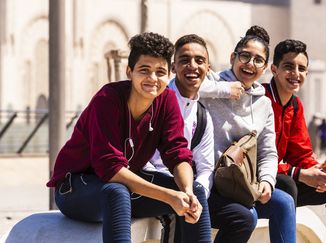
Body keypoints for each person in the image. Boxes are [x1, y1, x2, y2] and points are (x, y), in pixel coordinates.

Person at [46, 32, 211, 243]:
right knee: (117, 192)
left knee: (195, 190)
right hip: (75, 189)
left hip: (122, 186)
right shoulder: (107, 100)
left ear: (169, 75)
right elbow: (110, 168)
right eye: (144, 70)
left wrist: (186, 192)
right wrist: (170, 197)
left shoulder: (167, 100)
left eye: (160, 72)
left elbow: (177, 153)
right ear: (129, 71)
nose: (153, 78)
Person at [200, 26, 296, 243]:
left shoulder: (263, 104)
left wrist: (267, 181)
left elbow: (268, 151)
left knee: (284, 201)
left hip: (242, 183)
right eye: (245, 56)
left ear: (265, 68)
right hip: (210, 182)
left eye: (258, 60)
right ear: (233, 57)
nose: (251, 64)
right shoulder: (211, 86)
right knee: (247, 216)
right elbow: (179, 88)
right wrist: (224, 90)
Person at [263, 39, 326, 243]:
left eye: (301, 68)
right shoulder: (260, 100)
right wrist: (300, 173)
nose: (296, 73)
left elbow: (301, 153)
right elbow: (257, 158)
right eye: (288, 67)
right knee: (287, 184)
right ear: (274, 69)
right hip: (257, 181)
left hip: (283, 176)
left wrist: (318, 172)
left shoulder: (295, 105)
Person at [143, 34, 214, 242]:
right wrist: (185, 191)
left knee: (241, 216)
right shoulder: (154, 100)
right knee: (186, 195)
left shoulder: (202, 115)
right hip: (150, 180)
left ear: (208, 69)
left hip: (184, 183)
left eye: (199, 61)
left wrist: (197, 190)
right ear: (173, 67)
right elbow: (141, 158)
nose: (192, 66)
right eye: (184, 60)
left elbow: (206, 167)